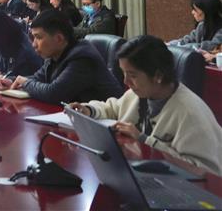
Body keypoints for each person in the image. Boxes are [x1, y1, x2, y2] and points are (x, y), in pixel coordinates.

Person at [70, 35, 222, 175]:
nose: (126, 81)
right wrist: (89, 110)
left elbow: (205, 172)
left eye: (132, 75)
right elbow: (114, 108)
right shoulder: (141, 93)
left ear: (158, 76)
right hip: (146, 175)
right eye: (124, 73)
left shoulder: (190, 113)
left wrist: (143, 139)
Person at [0, 9, 123, 104]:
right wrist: (12, 81)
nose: (33, 44)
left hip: (105, 124)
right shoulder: (54, 54)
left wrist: (25, 83)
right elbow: (38, 78)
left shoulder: (82, 58)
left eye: (38, 37)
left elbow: (53, 93)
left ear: (59, 38)